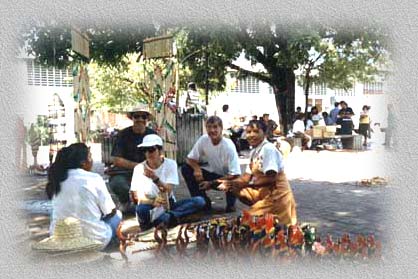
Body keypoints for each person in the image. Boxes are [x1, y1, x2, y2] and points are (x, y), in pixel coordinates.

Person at [218, 120, 297, 226]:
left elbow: (271, 178)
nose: (251, 135)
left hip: (277, 196)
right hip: (266, 194)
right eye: (248, 132)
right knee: (235, 188)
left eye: (256, 131)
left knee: (247, 223)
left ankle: (262, 213)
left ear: (264, 133)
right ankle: (259, 209)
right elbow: (245, 178)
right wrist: (226, 183)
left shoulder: (268, 149)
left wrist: (249, 184)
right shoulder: (253, 152)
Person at [46, 143, 122, 249]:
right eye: (90, 157)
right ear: (83, 163)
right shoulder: (94, 178)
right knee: (117, 216)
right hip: (94, 239)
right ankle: (112, 242)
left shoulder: (58, 178)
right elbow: (111, 212)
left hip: (59, 237)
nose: (92, 161)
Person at [130, 135, 206, 230]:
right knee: (141, 209)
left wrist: (155, 179)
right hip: (148, 203)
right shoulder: (139, 168)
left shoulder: (170, 164)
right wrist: (152, 201)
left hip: (167, 203)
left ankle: (167, 217)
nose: (148, 153)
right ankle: (160, 221)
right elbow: (137, 197)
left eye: (151, 150)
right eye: (144, 150)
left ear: (160, 151)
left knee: (199, 201)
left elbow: (167, 191)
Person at [181, 116, 241, 213]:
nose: (212, 130)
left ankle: (231, 204)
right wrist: (197, 169)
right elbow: (190, 158)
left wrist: (211, 183)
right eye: (209, 127)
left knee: (234, 184)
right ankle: (203, 201)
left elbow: (235, 174)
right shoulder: (204, 140)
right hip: (215, 175)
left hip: (228, 179)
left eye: (215, 127)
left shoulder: (228, 146)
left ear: (221, 128)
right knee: (186, 168)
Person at [109, 104, 156, 213]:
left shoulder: (153, 134)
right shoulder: (122, 135)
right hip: (125, 172)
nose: (140, 119)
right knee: (117, 183)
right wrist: (139, 167)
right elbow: (116, 159)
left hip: (148, 172)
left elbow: (159, 156)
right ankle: (126, 202)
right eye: (136, 116)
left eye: (143, 117)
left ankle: (147, 204)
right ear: (132, 118)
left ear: (147, 119)